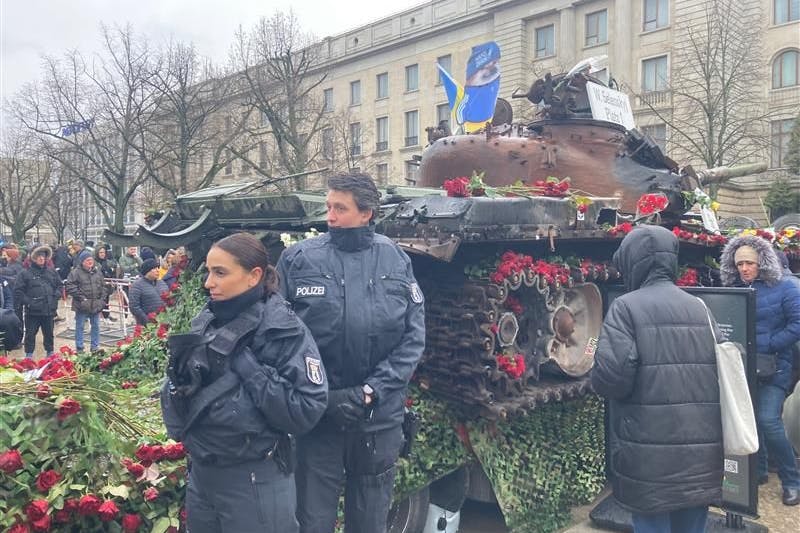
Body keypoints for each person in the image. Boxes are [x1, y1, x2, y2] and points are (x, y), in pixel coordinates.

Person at [276, 173, 426, 533]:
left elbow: (413, 338)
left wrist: (371, 390)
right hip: (318, 417)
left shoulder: (396, 260)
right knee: (312, 519)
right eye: (328, 207)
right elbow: (278, 336)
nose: (329, 216)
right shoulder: (298, 259)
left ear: (367, 213)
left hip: (378, 417)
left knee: (371, 518)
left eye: (339, 208)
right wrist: (314, 393)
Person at [160, 232, 328, 533]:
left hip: (254, 481)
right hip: (204, 476)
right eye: (208, 272)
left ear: (254, 276)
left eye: (220, 273)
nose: (208, 283)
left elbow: (306, 409)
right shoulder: (209, 318)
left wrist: (251, 369)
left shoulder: (283, 330)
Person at [591, 225, 723, 533]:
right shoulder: (700, 307)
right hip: (700, 453)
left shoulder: (626, 307)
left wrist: (594, 356)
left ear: (634, 261)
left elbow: (611, 379)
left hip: (649, 458)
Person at [720, 235, 800, 506]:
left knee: (768, 420)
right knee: (750, 418)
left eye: (749, 263)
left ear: (762, 263)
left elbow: (797, 324)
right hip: (744, 367)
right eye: (739, 263)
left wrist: (765, 344)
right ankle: (761, 471)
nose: (744, 268)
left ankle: (792, 480)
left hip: (776, 366)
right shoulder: (733, 288)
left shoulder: (785, 288)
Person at [13, 246, 62, 358]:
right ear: (33, 258)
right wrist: (29, 302)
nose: (41, 258)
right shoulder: (24, 273)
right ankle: (29, 356)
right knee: (30, 334)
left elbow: (59, 285)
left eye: (43, 256)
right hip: (32, 311)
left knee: (49, 334)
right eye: (38, 256)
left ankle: (50, 354)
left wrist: (55, 298)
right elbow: (18, 291)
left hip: (49, 310)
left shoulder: (51, 272)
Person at [65, 250, 106, 353]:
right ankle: (80, 347)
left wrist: (102, 300)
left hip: (96, 304)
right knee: (80, 326)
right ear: (82, 261)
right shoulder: (75, 273)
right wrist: (82, 298)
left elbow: (103, 286)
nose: (90, 262)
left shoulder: (97, 272)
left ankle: (95, 347)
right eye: (87, 260)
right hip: (82, 305)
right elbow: (70, 286)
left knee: (96, 326)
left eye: (91, 260)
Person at [129, 259, 168, 325]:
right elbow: (134, 307)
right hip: (146, 325)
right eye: (154, 268)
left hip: (163, 322)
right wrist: (147, 321)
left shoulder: (162, 283)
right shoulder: (137, 286)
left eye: (158, 268)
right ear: (147, 271)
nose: (158, 270)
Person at [95, 245, 118, 322]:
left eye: (104, 252)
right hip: (97, 285)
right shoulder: (94, 262)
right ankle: (99, 317)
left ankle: (106, 316)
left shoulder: (107, 262)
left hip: (106, 285)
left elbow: (112, 271)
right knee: (99, 302)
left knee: (106, 301)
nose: (102, 254)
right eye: (100, 252)